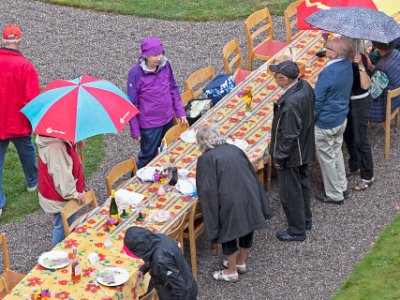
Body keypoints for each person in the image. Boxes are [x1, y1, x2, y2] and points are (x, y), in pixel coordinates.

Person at [195, 124, 272, 282]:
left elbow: (207, 189)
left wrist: (210, 211)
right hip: (249, 192)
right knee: (246, 226)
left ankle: (231, 271)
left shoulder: (206, 159)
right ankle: (241, 262)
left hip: (229, 199)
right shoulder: (234, 149)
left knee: (226, 230)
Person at [268, 61, 315, 242]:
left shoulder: (291, 103)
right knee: (303, 184)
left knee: (290, 192)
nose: (274, 79)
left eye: (277, 77)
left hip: (292, 153)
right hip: (304, 146)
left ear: (285, 79)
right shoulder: (305, 86)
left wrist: (279, 158)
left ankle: (296, 230)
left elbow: (289, 134)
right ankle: (305, 220)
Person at [127, 37, 188, 169]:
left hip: (167, 119)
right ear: (145, 56)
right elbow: (131, 104)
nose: (159, 58)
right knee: (147, 156)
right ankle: (135, 178)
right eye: (155, 55)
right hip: (149, 125)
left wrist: (180, 112)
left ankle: (163, 174)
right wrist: (135, 131)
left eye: (160, 54)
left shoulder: (166, 66)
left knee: (168, 149)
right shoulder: (135, 74)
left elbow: (173, 88)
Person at [0, 25, 40, 217]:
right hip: (18, 123)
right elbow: (32, 99)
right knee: (27, 152)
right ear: (20, 40)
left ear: (3, 40)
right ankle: (33, 182)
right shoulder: (26, 66)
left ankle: (0, 202)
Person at [314, 38, 353, 205]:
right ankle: (342, 186)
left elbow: (317, 101)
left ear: (334, 53)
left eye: (327, 48)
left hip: (326, 122)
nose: (325, 49)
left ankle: (335, 194)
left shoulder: (328, 73)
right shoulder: (347, 64)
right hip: (340, 118)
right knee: (336, 152)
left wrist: (310, 121)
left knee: (327, 159)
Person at [36, 136, 85, 247]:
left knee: (65, 224)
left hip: (58, 193)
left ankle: (65, 249)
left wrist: (74, 142)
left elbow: (66, 159)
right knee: (64, 225)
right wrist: (74, 194)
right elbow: (61, 175)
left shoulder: (57, 137)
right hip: (60, 196)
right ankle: (53, 257)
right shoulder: (56, 147)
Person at [123, 226, 198, 300]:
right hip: (183, 283)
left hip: (181, 294)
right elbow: (151, 255)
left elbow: (179, 287)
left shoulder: (161, 261)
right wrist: (143, 269)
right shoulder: (158, 238)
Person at [343, 39, 374, 191]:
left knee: (361, 140)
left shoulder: (360, 59)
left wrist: (360, 65)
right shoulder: (343, 60)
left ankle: (368, 176)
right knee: (348, 136)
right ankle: (354, 165)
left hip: (360, 103)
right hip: (347, 102)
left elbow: (366, 85)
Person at [368, 41, 400, 123]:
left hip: (383, 109)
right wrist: (371, 67)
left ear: (377, 47)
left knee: (355, 98)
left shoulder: (382, 67)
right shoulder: (396, 53)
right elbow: (384, 77)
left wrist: (362, 68)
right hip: (396, 99)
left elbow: (372, 94)